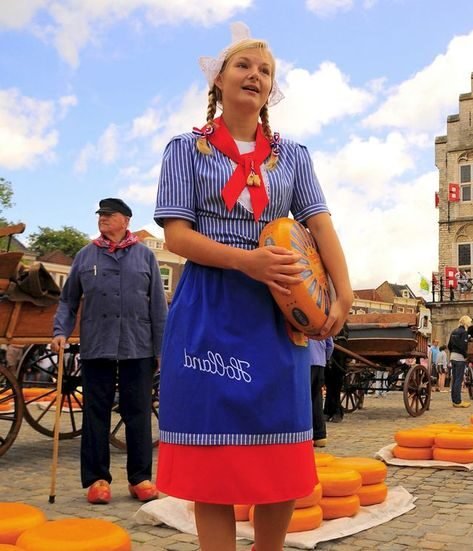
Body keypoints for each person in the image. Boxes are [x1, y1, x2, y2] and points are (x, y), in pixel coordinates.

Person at [153, 24, 352, 551]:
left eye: (265, 71)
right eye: (244, 66)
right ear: (217, 80)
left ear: (271, 90)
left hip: (277, 312)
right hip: (208, 309)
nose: (255, 75)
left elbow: (320, 222)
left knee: (280, 452)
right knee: (211, 461)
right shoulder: (184, 150)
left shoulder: (295, 156)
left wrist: (343, 290)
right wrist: (249, 262)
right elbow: (176, 236)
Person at [51, 197, 168, 505]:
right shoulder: (85, 255)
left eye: (109, 214)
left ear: (125, 221)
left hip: (137, 345)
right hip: (97, 345)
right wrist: (60, 331)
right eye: (100, 214)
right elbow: (68, 300)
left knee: (138, 413)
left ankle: (140, 479)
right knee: (95, 413)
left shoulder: (145, 257)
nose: (102, 218)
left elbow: (158, 305)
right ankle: (97, 479)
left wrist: (161, 349)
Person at [308, 337, 333, 447]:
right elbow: (330, 345)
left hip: (305, 362)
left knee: (303, 399)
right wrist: (325, 358)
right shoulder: (322, 320)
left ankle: (304, 435)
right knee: (316, 398)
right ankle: (320, 435)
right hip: (320, 364)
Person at [447, 315, 472, 408]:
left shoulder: (454, 331)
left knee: (454, 380)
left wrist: (453, 352)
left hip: (453, 357)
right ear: (466, 322)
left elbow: (449, 345)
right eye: (470, 321)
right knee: (459, 380)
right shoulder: (464, 332)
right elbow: (462, 346)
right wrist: (465, 356)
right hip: (460, 358)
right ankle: (458, 401)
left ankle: (454, 400)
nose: (470, 323)